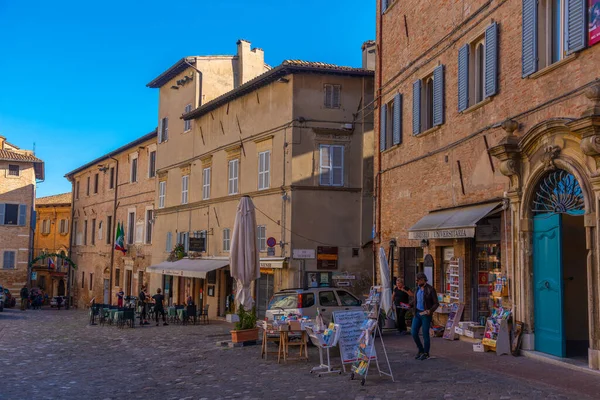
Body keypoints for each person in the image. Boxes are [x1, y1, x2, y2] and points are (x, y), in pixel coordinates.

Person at [411, 273, 439, 361]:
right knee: (413, 332)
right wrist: (409, 305)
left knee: (425, 333)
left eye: (418, 280)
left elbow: (436, 303)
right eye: (416, 280)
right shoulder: (417, 289)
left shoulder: (430, 289)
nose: (417, 282)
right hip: (418, 313)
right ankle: (420, 349)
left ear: (423, 280)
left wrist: (430, 311)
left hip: (426, 314)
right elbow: (416, 300)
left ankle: (426, 353)